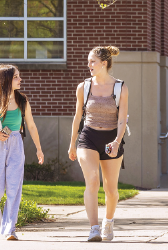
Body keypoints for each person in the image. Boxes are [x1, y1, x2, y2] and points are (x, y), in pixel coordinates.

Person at [69, 46, 129, 242]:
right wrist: (72, 144)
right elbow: (78, 117)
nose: (89, 65)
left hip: (112, 137)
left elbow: (122, 119)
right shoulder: (83, 87)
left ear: (104, 63)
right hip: (88, 137)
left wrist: (117, 141)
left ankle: (108, 222)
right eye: (88, 61)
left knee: (111, 190)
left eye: (93, 61)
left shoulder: (120, 87)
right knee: (93, 179)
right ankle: (94, 228)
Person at [0, 64, 44, 240]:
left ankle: (9, 228)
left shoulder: (22, 100)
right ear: (6, 79)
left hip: (16, 145)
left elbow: (31, 125)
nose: (20, 79)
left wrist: (38, 148)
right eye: (16, 77)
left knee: (14, 188)